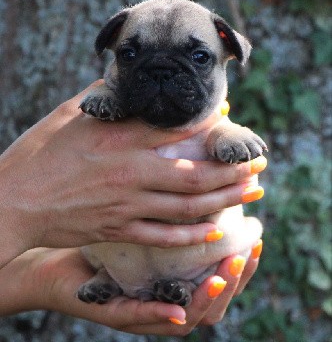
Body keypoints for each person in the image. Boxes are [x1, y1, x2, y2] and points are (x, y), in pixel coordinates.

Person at [0, 80, 266, 335]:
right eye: (130, 53)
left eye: (198, 57)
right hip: (121, 265)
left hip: (199, 263)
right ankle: (109, 274)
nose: (162, 74)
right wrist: (16, 206)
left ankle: (174, 282)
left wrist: (39, 275)